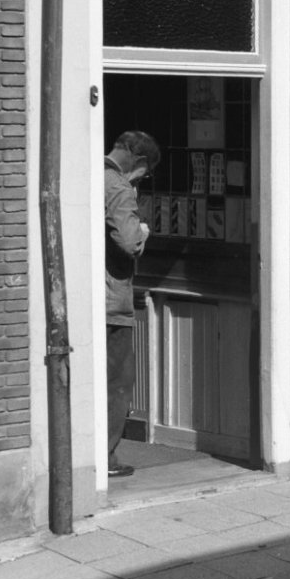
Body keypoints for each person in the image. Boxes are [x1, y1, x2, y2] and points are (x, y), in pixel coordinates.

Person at [105, 129, 160, 479]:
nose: (142, 179)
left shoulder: (93, 175)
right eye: (146, 172)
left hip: (93, 298)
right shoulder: (120, 187)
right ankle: (106, 457)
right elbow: (129, 243)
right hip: (113, 301)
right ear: (138, 161)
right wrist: (142, 231)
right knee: (119, 382)